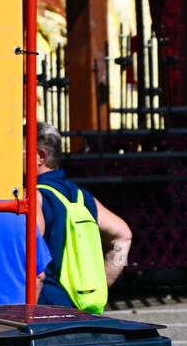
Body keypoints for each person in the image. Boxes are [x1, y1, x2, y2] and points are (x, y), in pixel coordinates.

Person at [36, 122, 132, 308]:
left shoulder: (36, 197)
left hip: (46, 309)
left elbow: (35, 271)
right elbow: (124, 236)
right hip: (82, 310)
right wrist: (101, 285)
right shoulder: (80, 195)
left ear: (40, 156)